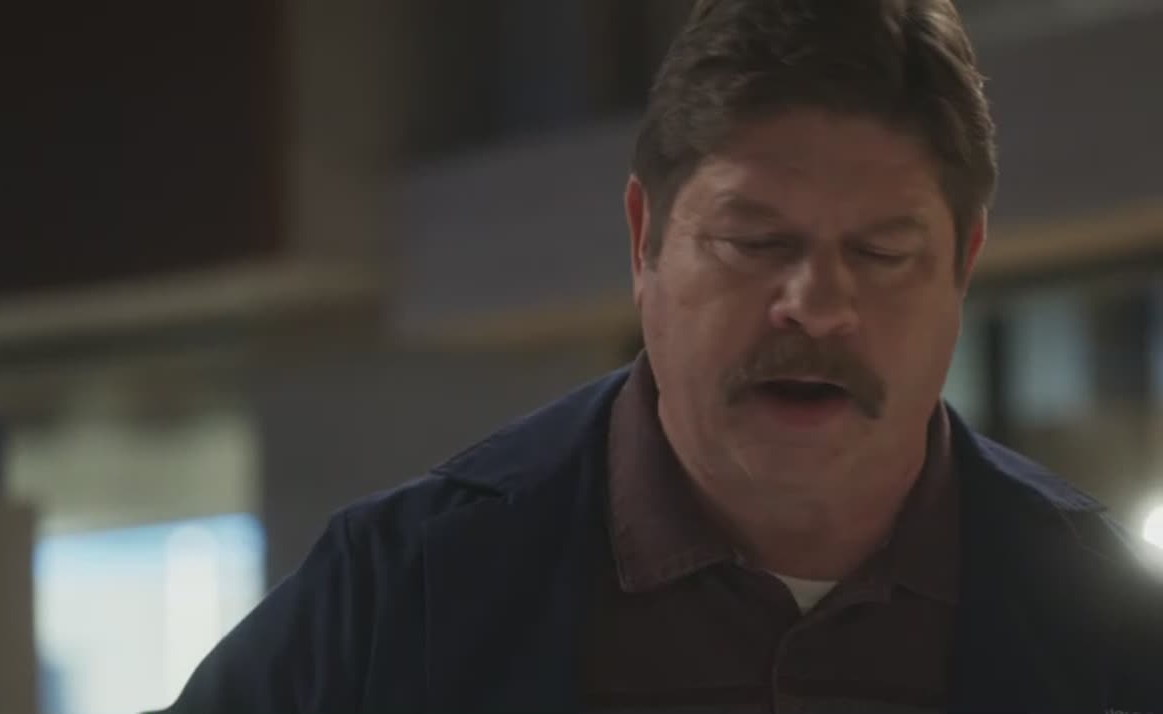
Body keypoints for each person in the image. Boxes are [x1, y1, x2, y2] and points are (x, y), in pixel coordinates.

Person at [157, 1, 1163, 712]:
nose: (816, 306)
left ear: (963, 264)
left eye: (880, 253)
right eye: (754, 242)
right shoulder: (397, 597)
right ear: (645, 240)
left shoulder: (1111, 628)